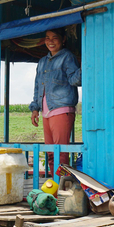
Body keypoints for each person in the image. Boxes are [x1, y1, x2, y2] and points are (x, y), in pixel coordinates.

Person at [29, 28, 81, 176]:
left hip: (61, 109)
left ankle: (63, 188)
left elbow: (74, 80)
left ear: (63, 39)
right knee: (51, 153)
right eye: (47, 38)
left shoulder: (67, 57)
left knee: (61, 152)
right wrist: (35, 109)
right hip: (46, 112)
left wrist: (85, 67)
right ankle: (56, 186)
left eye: (54, 38)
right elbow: (38, 86)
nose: (50, 41)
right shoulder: (42, 62)